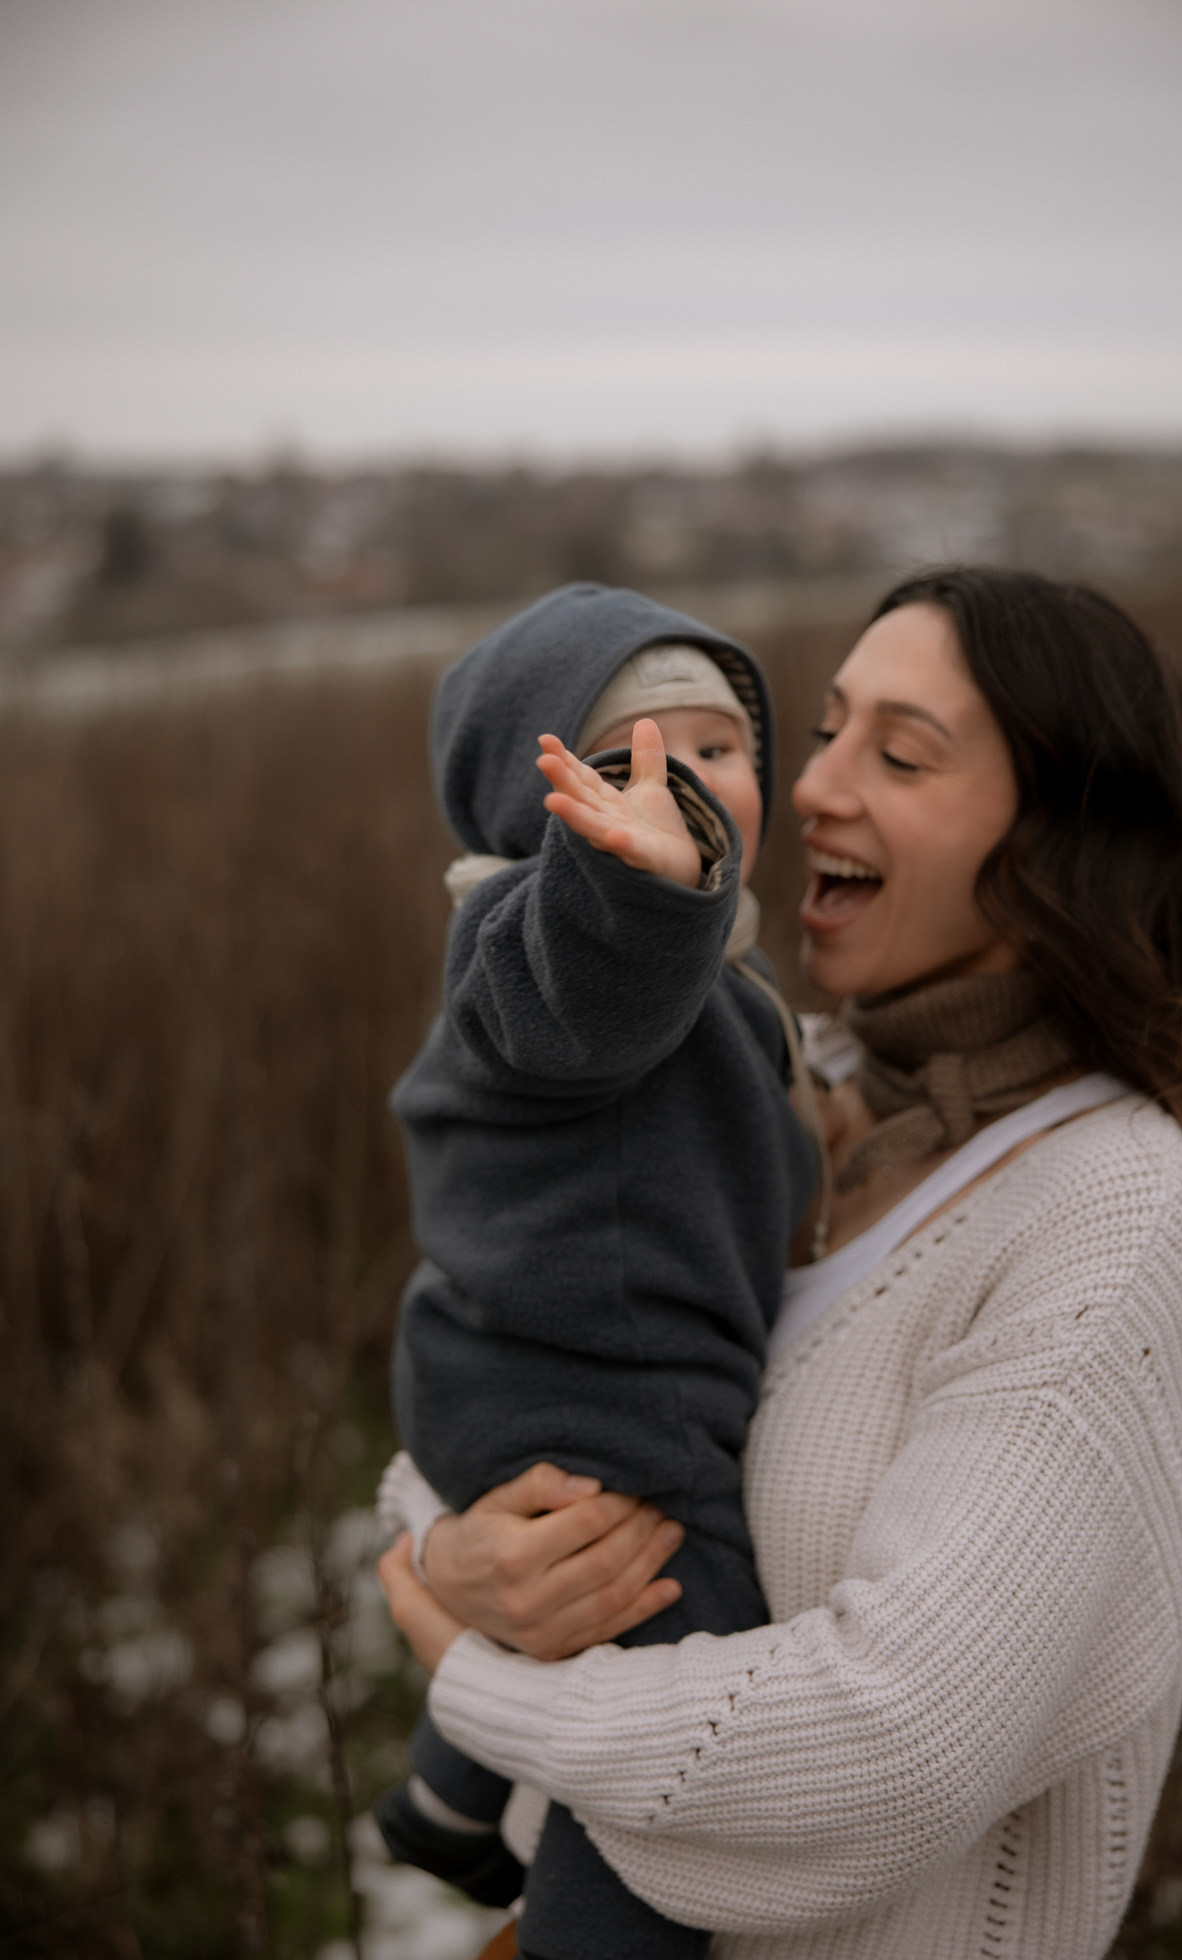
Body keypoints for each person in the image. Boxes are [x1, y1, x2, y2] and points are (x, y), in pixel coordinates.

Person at [378, 568, 1182, 1960]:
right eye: (822, 730)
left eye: (901, 752)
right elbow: (544, 1342)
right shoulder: (803, 1091)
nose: (809, 793)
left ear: (1061, 832)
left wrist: (488, 1690)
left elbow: (891, 1743)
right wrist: (453, 1557)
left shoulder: (1110, 1209)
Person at [376, 584, 822, 1958]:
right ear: (539, 814)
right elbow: (602, 977)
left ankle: (450, 1799)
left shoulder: (716, 969)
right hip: (605, 1392)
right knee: (691, 1667)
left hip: (515, 1360)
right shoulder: (542, 950)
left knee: (583, 1630)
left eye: (721, 746)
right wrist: (639, 878)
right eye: (626, 757)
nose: (685, 783)